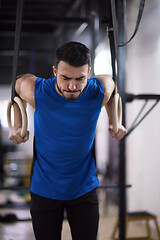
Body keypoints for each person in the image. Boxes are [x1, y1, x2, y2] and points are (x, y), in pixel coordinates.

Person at [9, 41, 127, 240]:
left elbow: (112, 90)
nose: (72, 86)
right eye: (65, 78)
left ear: (88, 72)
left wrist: (114, 122)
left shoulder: (98, 90)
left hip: (83, 189)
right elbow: (17, 86)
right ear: (54, 71)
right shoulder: (38, 91)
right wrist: (18, 125)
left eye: (80, 78)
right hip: (44, 189)